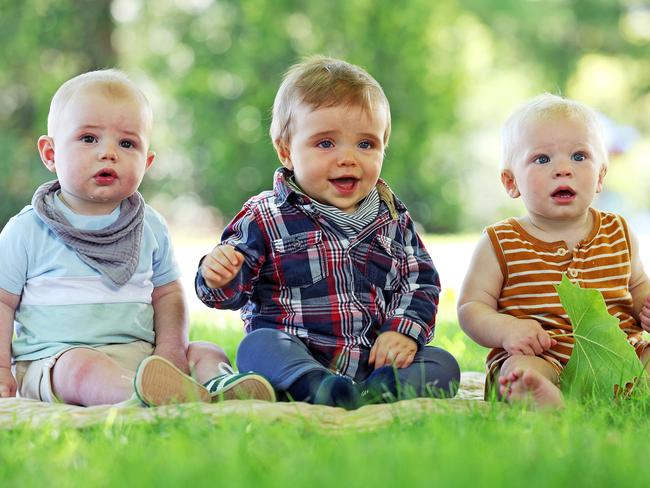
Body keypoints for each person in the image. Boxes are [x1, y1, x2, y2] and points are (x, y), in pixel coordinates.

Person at [195, 56, 460, 409]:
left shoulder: (393, 219)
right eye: (325, 144)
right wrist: (219, 275)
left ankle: (376, 391)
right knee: (257, 348)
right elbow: (230, 294)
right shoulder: (265, 216)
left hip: (372, 362)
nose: (348, 158)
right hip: (296, 352)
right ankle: (317, 386)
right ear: (286, 151)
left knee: (443, 365)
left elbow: (420, 281)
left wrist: (402, 331)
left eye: (366, 144)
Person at [0, 69, 275, 406]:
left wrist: (170, 350)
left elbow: (168, 294)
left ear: (147, 162)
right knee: (82, 369)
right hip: (57, 361)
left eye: (126, 143)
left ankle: (218, 388)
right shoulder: (27, 230)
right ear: (50, 153)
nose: (108, 153)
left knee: (206, 350)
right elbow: (3, 303)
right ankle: (154, 398)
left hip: (141, 358)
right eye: (89, 138)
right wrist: (2, 367)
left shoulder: (150, 227)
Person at [457, 93, 650, 408]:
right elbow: (471, 308)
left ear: (600, 175)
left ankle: (631, 389)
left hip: (618, 357)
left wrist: (646, 308)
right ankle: (542, 397)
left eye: (579, 156)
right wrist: (507, 330)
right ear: (511, 182)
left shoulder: (619, 232)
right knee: (518, 371)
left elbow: (638, 287)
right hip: (543, 357)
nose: (563, 169)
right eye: (542, 159)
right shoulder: (501, 242)